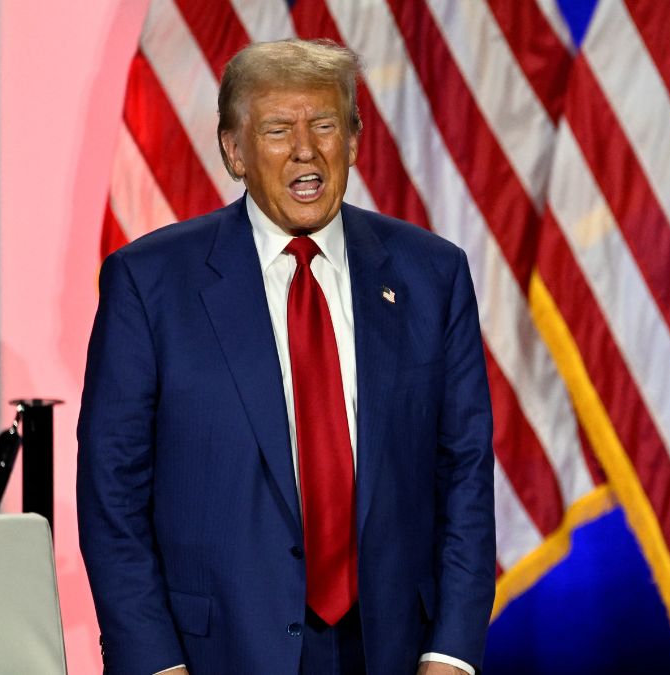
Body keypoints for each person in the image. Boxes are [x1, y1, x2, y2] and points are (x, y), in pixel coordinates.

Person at [77, 39, 495, 675]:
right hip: (217, 653)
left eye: (324, 125)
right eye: (278, 130)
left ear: (352, 141)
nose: (306, 150)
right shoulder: (150, 283)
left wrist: (452, 652)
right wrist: (153, 663)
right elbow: (112, 491)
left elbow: (464, 471)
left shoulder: (431, 274)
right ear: (234, 151)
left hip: (392, 650)